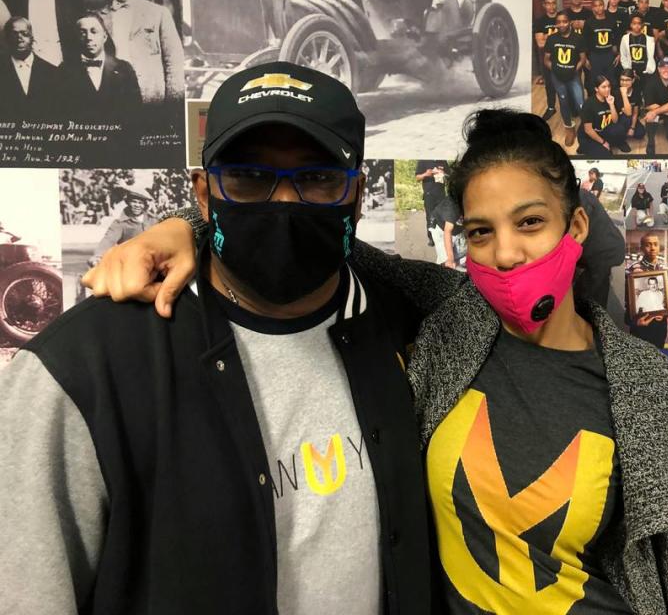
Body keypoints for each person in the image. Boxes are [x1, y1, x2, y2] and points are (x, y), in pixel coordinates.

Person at [86, 108, 668, 613]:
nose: (506, 254)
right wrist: (183, 226)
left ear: (576, 227)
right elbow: (307, 234)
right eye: (481, 231)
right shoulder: (450, 317)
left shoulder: (642, 383)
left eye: (530, 222)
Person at [0, 62, 434, 613]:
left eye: (318, 178)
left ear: (356, 193)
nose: (284, 204)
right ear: (203, 195)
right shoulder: (81, 370)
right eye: (249, 178)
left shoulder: (406, 324)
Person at [98, 0, 184, 107]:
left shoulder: (158, 13)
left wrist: (174, 107)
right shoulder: (99, 17)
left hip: (150, 96)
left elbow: (174, 63)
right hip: (112, 96)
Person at [59, 12, 142, 124]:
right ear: (77, 37)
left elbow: (135, 114)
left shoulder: (124, 69)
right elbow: (61, 116)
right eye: (83, 33)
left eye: (94, 32)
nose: (89, 38)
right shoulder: (64, 71)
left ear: (104, 37)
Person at [0, 16, 60, 120]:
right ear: (7, 38)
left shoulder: (52, 72)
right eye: (14, 34)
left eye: (25, 33)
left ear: (32, 37)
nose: (20, 39)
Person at [544, 11, 586, 146]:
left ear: (570, 22)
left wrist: (574, 70)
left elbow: (583, 59)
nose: (561, 24)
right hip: (557, 77)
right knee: (563, 102)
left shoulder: (578, 38)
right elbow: (546, 59)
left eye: (564, 21)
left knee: (580, 102)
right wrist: (556, 70)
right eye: (559, 22)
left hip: (573, 77)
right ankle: (569, 129)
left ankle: (586, 128)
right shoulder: (552, 39)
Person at [625, 232, 668, 347]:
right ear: (641, 248)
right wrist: (633, 322)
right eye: (648, 245)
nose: (652, 248)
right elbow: (627, 300)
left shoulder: (666, 270)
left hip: (659, 323)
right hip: (640, 324)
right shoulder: (632, 270)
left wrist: (665, 313)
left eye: (655, 244)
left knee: (658, 352)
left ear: (659, 247)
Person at [91, 187, 159, 264]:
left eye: (140, 203)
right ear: (128, 202)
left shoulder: (154, 220)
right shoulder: (120, 223)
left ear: (145, 205)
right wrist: (98, 256)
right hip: (130, 262)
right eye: (134, 202)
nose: (137, 205)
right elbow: (109, 239)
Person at [578, 75, 631, 155]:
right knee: (607, 155)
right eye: (604, 87)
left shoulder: (611, 98)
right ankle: (585, 147)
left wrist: (611, 104)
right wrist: (603, 142)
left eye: (609, 86)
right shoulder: (589, 104)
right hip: (589, 136)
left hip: (603, 130)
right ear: (596, 89)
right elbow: (588, 130)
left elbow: (615, 121)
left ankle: (618, 142)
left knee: (620, 128)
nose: (608, 89)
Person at [641, 56, 668, 155]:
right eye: (663, 67)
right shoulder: (651, 82)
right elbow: (648, 105)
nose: (666, 70)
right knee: (650, 116)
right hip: (667, 112)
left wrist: (657, 111)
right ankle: (651, 142)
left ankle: (667, 123)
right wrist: (667, 112)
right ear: (658, 69)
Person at [582, 0, 620, 95]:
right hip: (595, 56)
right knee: (595, 81)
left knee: (611, 80)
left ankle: (611, 103)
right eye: (596, 6)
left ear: (604, 6)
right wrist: (585, 58)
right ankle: (595, 104)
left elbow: (617, 38)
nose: (598, 8)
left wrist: (618, 54)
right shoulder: (589, 22)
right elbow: (584, 41)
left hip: (608, 55)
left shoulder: (611, 21)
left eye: (600, 5)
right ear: (593, 8)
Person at [534, 0, 561, 120]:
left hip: (563, 57)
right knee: (549, 85)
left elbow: (568, 38)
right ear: (544, 5)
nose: (551, 6)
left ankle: (571, 108)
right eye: (548, 3)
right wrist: (557, 34)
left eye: (553, 3)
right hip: (548, 59)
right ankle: (551, 107)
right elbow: (540, 43)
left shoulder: (562, 18)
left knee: (566, 83)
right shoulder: (540, 21)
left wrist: (547, 36)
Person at [619, 13, 656, 95]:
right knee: (634, 95)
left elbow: (651, 57)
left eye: (639, 23)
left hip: (645, 72)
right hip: (632, 72)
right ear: (631, 24)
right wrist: (629, 71)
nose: (636, 26)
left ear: (642, 25)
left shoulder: (650, 39)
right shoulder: (625, 38)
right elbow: (623, 56)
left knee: (647, 94)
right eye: (634, 23)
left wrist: (648, 70)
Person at [416, 160, 448, 247]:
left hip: (441, 195)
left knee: (442, 217)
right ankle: (431, 238)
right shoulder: (423, 161)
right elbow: (417, 178)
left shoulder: (443, 161)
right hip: (429, 195)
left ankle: (443, 238)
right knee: (430, 217)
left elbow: (449, 176)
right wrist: (426, 174)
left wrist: (443, 173)